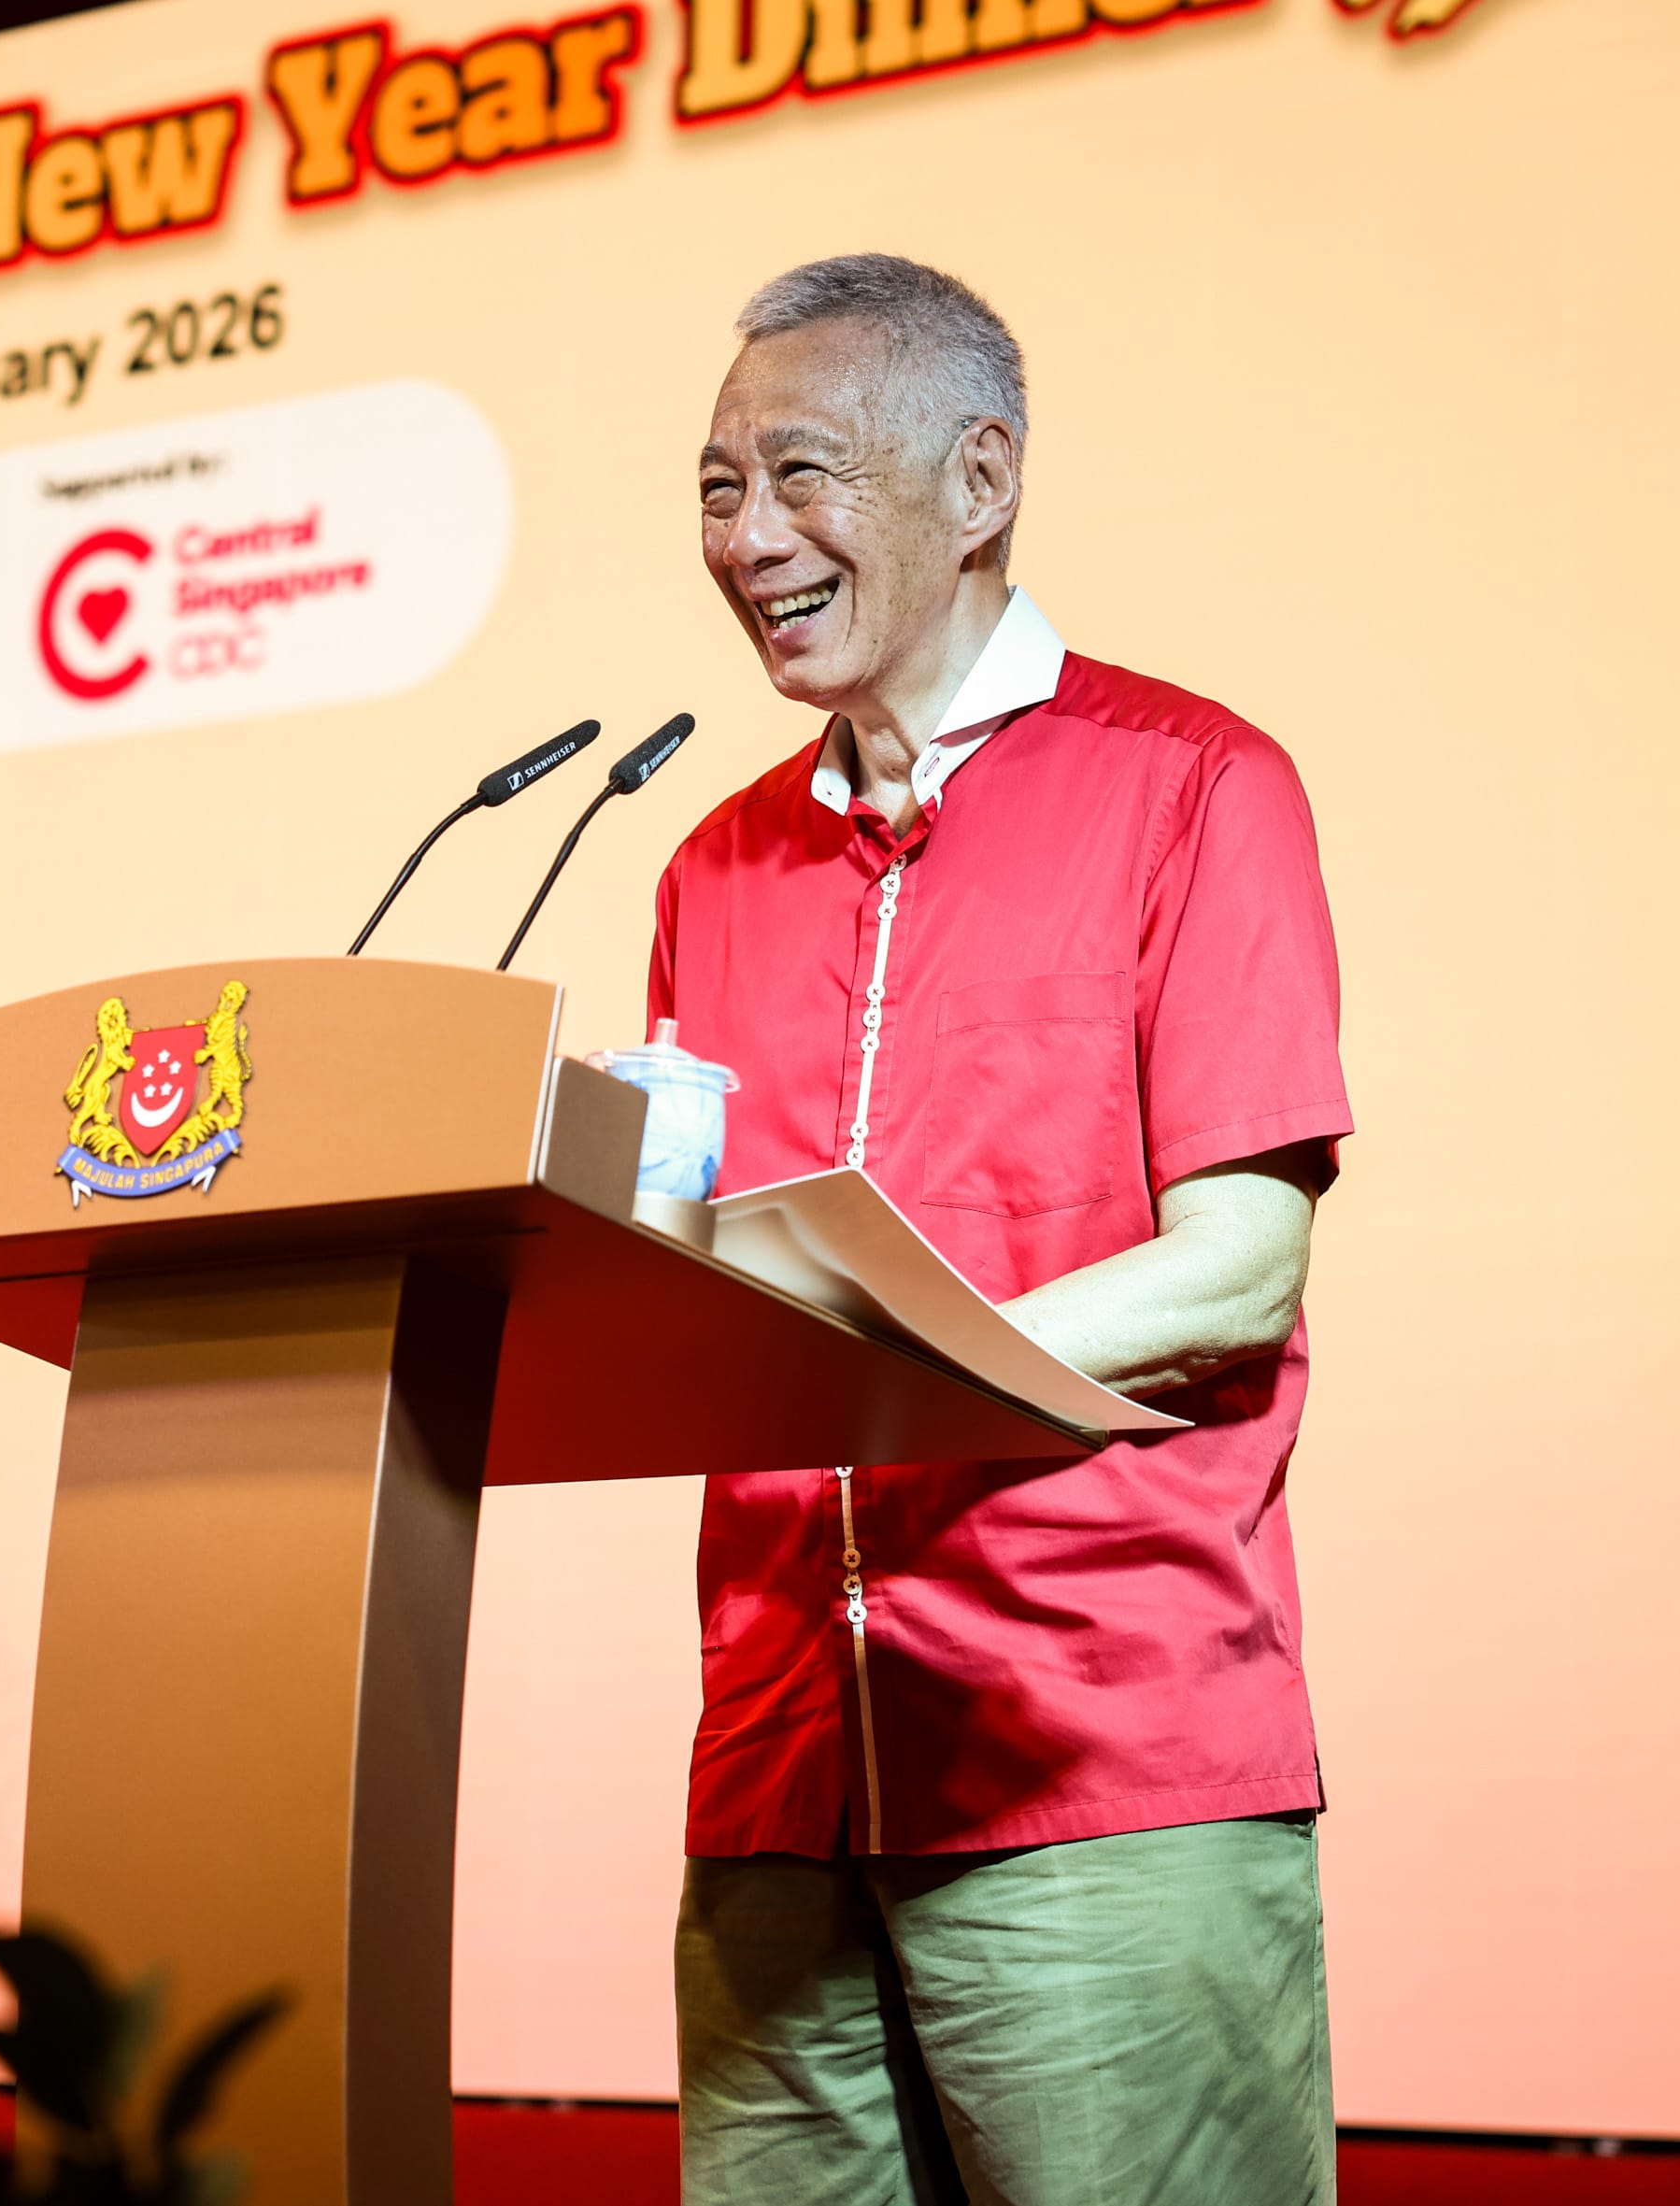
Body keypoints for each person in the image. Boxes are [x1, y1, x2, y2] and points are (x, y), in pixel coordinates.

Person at [655, 253, 1351, 2205]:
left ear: (977, 482)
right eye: (716, 485)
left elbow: (1235, 1267)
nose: (749, 534)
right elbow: (689, 1266)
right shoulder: (712, 863)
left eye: (802, 473)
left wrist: (888, 1360)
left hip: (1090, 1749)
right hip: (780, 1769)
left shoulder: (1191, 785)